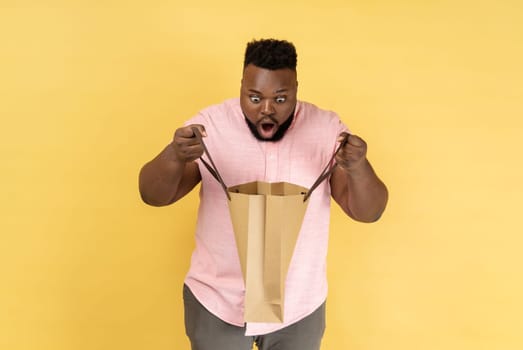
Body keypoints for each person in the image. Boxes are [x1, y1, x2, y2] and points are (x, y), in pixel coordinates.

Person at [139, 38, 388, 350]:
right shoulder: (209, 126)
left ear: (296, 87)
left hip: (299, 306)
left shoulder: (327, 129)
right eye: (254, 98)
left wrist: (358, 166)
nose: (267, 110)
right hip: (217, 301)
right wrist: (174, 155)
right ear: (242, 85)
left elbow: (369, 212)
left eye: (281, 99)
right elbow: (152, 195)